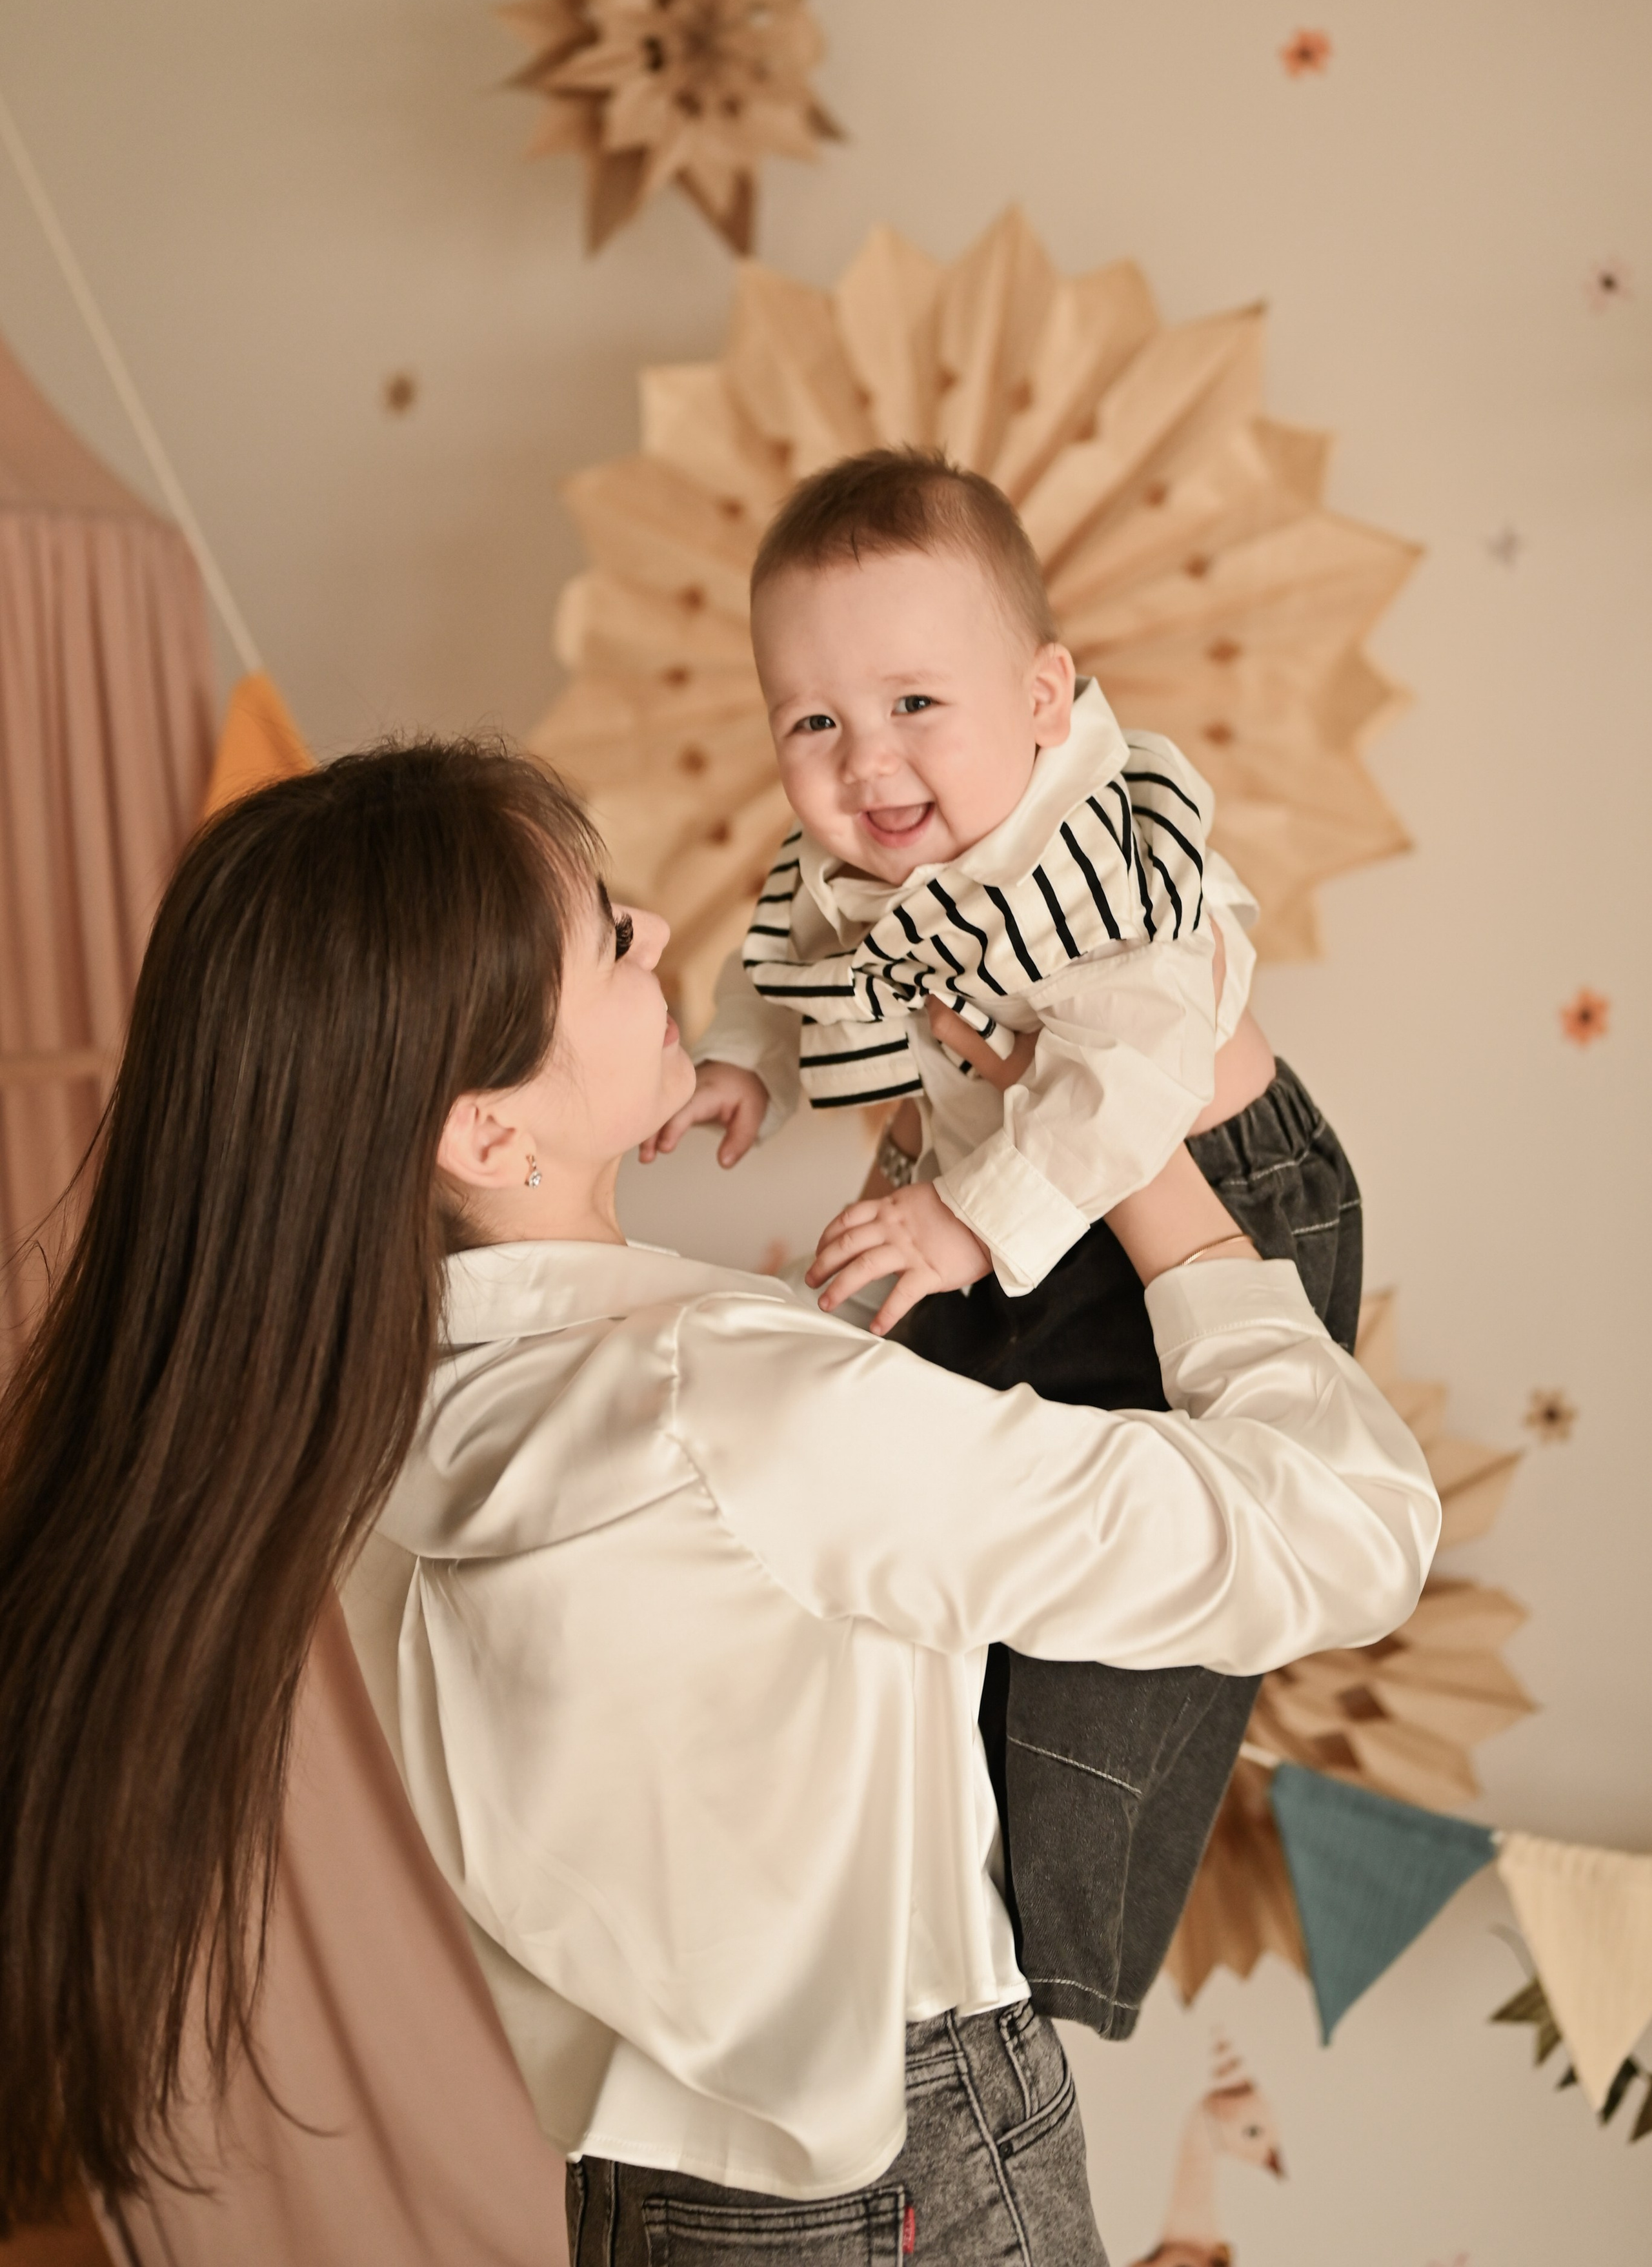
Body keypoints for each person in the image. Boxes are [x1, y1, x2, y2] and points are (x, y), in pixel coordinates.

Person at [0, 741, 1436, 2266]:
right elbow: (1346, 1534)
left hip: (647, 2194)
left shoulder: (359, 1417)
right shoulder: (727, 1402)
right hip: (897, 2189)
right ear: (487, 1132)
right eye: (606, 932)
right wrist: (1145, 1168)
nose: (660, 938)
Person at [649, 447, 1367, 2043]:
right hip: (998, 1217)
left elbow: (1123, 1084)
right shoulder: (849, 867)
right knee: (921, 1528)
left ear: (1044, 698)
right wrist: (735, 1066)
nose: (865, 762)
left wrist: (969, 1219)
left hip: (1210, 1205)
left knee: (1118, 1610)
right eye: (812, 721)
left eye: (915, 703)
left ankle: (1050, 1955)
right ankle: (915, 1884)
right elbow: (784, 966)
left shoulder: (1104, 851)